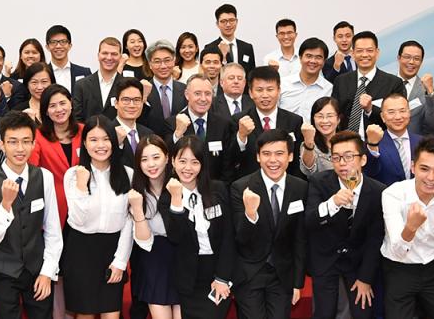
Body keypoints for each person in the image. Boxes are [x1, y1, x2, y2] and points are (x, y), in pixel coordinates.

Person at [0, 111, 65, 319]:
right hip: (3, 273)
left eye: (26, 141)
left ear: (34, 144)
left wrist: (47, 272)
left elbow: (53, 230)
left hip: (37, 270)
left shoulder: (44, 177)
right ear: (2, 144)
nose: (20, 148)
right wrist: (6, 205)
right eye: (13, 142)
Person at [378, 136, 434, 319]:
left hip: (432, 267)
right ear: (413, 167)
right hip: (398, 268)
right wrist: (410, 228)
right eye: (424, 169)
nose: (431, 178)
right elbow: (398, 250)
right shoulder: (393, 194)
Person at [305, 131, 386, 319]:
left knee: (362, 312)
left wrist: (365, 278)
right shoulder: (319, 182)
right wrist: (332, 203)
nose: (342, 163)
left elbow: (375, 239)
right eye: (336, 157)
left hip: (358, 262)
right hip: (325, 260)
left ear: (363, 160)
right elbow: (309, 222)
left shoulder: (377, 191)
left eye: (349, 157)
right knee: (324, 313)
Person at [62, 116, 136, 318]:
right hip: (81, 252)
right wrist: (81, 187)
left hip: (112, 250)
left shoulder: (128, 175)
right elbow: (78, 219)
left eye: (106, 139)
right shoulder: (73, 175)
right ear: (84, 144)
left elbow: (129, 222)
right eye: (93, 140)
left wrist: (120, 261)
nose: (100, 145)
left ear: (113, 142)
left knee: (111, 314)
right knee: (84, 315)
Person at [230, 129, 308, 319]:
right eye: (266, 154)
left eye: (279, 154)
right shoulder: (241, 187)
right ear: (258, 157)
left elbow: (300, 238)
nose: (273, 160)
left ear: (290, 156)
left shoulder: (300, 187)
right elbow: (239, 238)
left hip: (282, 275)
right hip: (249, 274)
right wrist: (250, 213)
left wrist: (298, 283)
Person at [160, 135, 234, 319]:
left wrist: (222, 277)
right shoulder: (166, 197)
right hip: (187, 279)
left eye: (195, 162)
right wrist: (177, 200)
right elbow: (175, 236)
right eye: (182, 161)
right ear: (173, 161)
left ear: (202, 164)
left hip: (217, 273)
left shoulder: (218, 189)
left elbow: (228, 236)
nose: (188, 168)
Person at [128, 135, 178, 319]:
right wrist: (137, 210)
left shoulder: (180, 185)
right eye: (144, 159)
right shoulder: (136, 193)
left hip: (182, 259)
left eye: (156, 157)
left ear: (167, 157)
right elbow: (144, 242)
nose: (151, 164)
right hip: (153, 261)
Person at [235, 66, 305, 179]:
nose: (265, 95)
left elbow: (297, 161)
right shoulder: (238, 120)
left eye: (270, 89)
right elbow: (231, 160)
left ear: (279, 91)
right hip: (249, 186)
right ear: (251, 92)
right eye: (259, 90)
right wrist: (241, 137)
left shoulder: (294, 121)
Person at [332, 31, 407, 136]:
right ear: (353, 54)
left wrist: (370, 109)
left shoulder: (394, 83)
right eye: (359, 51)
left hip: (380, 144)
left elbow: (398, 119)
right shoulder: (341, 81)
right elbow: (335, 113)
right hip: (346, 144)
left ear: (377, 52)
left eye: (369, 50)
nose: (364, 55)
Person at [28, 84, 81, 227]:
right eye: (52, 106)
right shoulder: (37, 136)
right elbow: (32, 172)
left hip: (84, 204)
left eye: (63, 103)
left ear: (71, 104)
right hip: (54, 206)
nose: (59, 110)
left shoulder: (85, 131)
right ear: (45, 111)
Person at [172, 74, 241, 183]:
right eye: (197, 93)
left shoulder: (223, 124)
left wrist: (219, 190)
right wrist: (178, 134)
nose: (203, 99)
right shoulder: (173, 123)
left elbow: (228, 165)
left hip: (215, 190)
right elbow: (169, 158)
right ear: (187, 95)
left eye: (208, 94)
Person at [363, 92, 423, 187]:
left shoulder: (422, 142)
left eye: (402, 111)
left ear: (409, 113)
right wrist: (373, 146)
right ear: (382, 117)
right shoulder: (373, 143)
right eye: (391, 112)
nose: (398, 117)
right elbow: (369, 172)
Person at [278, 38, 333, 120]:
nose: (313, 61)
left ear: (324, 61)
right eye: (309, 56)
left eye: (318, 57)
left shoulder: (329, 89)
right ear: (300, 58)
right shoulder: (283, 84)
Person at [72, 37, 126, 121]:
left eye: (114, 54)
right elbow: (76, 118)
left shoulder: (127, 85)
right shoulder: (81, 85)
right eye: (105, 53)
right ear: (98, 55)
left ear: (120, 57)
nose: (109, 57)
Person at [144, 40, 188, 139]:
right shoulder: (142, 91)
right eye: (157, 61)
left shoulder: (185, 89)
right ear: (150, 64)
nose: (163, 66)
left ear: (174, 61)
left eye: (167, 60)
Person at [201, 3, 256, 69]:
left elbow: (251, 73)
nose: (228, 25)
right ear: (217, 24)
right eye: (223, 21)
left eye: (231, 20)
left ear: (237, 21)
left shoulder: (247, 48)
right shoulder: (210, 48)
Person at [397, 40, 434, 122]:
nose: (411, 62)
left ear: (421, 62)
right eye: (407, 57)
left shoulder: (429, 90)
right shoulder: (386, 83)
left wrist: (430, 92)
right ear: (399, 58)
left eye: (416, 59)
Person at [298, 97, 340, 177]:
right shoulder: (308, 144)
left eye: (330, 116)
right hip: (319, 188)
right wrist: (309, 142)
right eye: (320, 116)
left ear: (338, 119)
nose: (325, 121)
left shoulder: (348, 142)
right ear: (313, 119)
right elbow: (308, 170)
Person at [46, 24, 92, 93]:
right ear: (47, 47)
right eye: (53, 42)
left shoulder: (85, 72)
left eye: (63, 42)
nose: (58, 46)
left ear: (70, 46)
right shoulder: (43, 73)